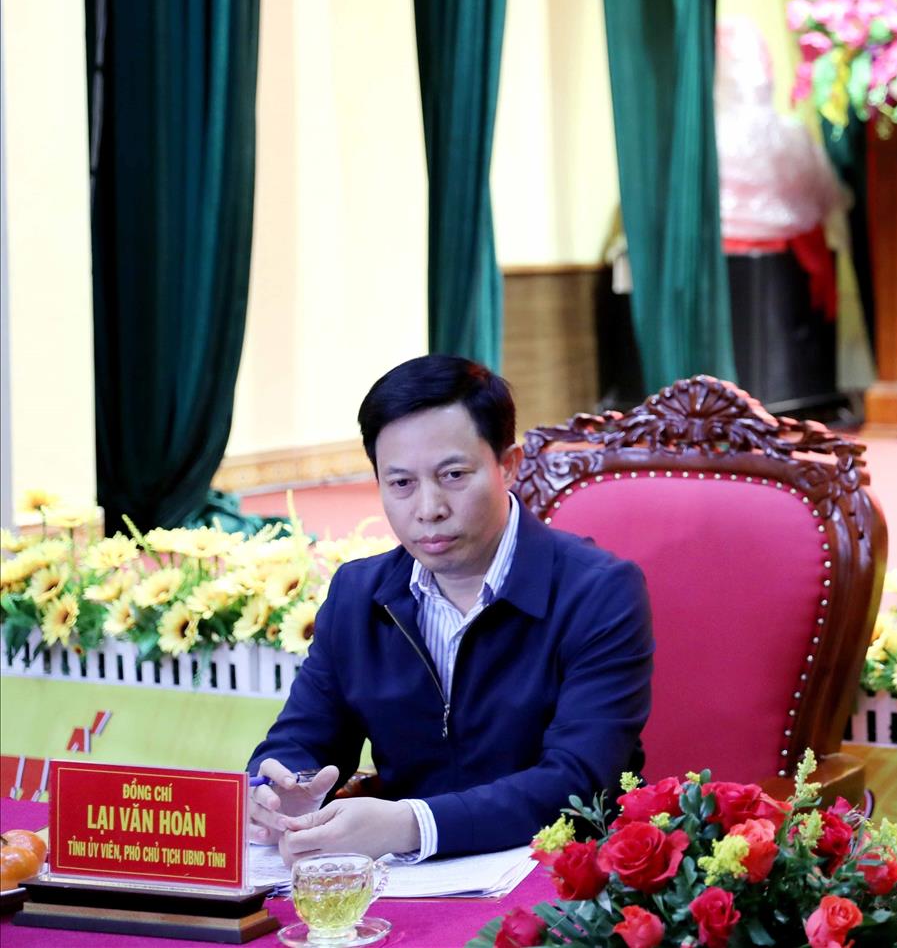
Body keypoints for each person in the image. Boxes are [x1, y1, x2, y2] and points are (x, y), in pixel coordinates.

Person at [247, 355, 654, 861]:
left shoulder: (597, 591)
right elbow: (302, 737)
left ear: (509, 465)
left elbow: (577, 781)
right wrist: (278, 789)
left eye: (454, 475)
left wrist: (414, 825)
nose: (428, 508)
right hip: (405, 880)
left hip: (562, 870)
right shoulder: (358, 594)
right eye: (401, 483)